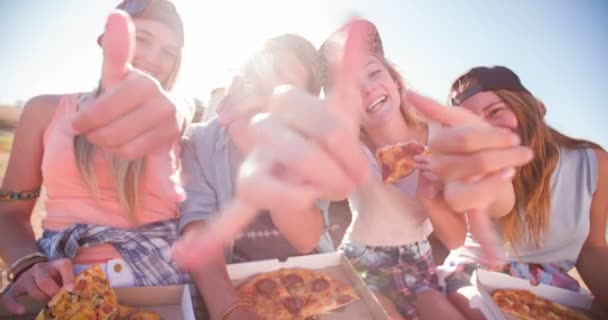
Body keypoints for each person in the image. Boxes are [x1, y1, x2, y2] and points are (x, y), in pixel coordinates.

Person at [319, 21, 533, 320]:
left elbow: (460, 238)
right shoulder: (348, 146)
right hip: (359, 258)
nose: (367, 88)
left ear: (394, 80)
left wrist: (437, 198)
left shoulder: (442, 138)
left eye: (373, 72)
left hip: (418, 260)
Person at [0, 0, 190, 314]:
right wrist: (28, 265)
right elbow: (9, 211)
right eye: (141, 39)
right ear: (105, 40)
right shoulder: (43, 111)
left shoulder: (173, 115)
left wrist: (175, 112)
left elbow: (179, 110)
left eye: (169, 51)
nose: (155, 59)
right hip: (60, 288)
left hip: (162, 290)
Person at [176, 34, 340, 320]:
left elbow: (306, 239)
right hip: (234, 281)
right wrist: (229, 310)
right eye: (265, 67)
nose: (265, 83)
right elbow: (199, 229)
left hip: (311, 281)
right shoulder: (200, 140)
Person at [440, 66, 608, 319]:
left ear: (534, 109)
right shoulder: (475, 171)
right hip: (471, 277)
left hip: (553, 290)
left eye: (495, 112)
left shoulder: (594, 164)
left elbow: (592, 248)